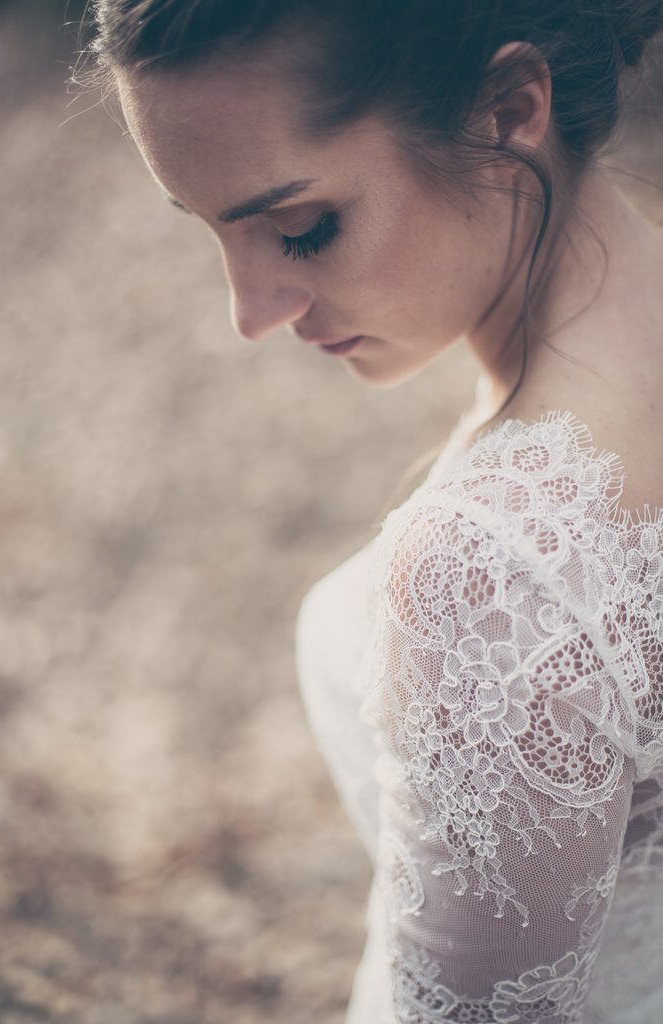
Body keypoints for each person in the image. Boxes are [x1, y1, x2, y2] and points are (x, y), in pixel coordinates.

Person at [84, 2, 663, 1020]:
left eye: (300, 228)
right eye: (212, 228)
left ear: (507, 108)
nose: (250, 312)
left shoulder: (490, 573)